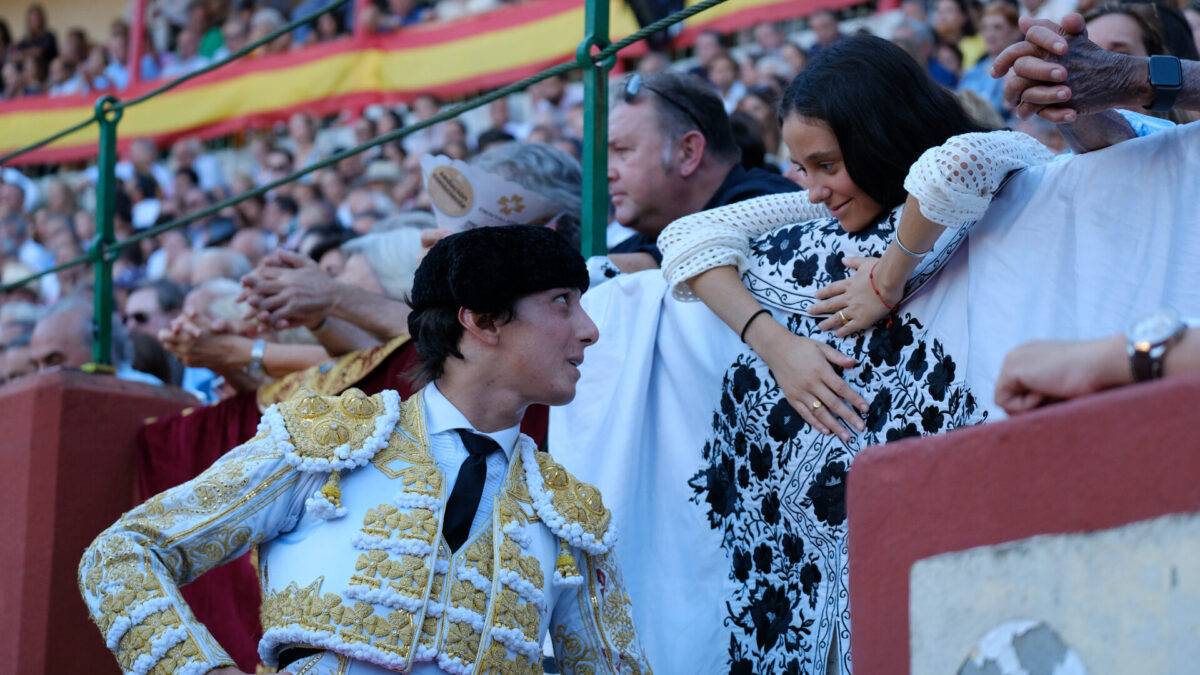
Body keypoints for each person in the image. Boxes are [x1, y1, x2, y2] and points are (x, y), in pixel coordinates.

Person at [554, 35, 1055, 674]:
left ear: (882, 139)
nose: (814, 191)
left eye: (827, 164)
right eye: (801, 168)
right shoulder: (829, 199)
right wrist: (779, 347)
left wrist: (887, 277)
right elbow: (688, 236)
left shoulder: (986, 165)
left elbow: (955, 163)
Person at [79, 225, 651, 675]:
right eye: (561, 302)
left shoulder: (570, 514)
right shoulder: (326, 444)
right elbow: (124, 553)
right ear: (480, 320)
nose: (589, 329)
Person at [606, 71, 797, 273]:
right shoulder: (633, 248)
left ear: (688, 152)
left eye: (622, 151)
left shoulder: (777, 212)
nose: (607, 174)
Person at [958, 0, 1025, 120]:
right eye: (985, 28)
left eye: (997, 27)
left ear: (1015, 32)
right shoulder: (974, 70)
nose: (990, 34)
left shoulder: (1022, 70)